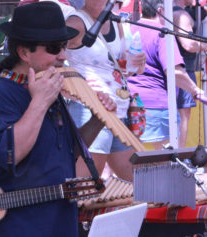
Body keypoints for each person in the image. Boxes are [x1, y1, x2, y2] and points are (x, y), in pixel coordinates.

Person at [0, 2, 116, 237]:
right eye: (54, 48)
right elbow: (11, 153)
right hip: (14, 228)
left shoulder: (47, 88)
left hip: (58, 223)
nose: (63, 55)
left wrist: (99, 119)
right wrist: (39, 102)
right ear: (24, 53)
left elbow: (70, 152)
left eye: (64, 45)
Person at [65, 0, 146, 181]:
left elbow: (123, 66)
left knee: (134, 176)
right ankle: (79, 210)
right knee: (88, 180)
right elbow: (52, 57)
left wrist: (139, 62)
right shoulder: (76, 22)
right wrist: (72, 89)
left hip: (118, 108)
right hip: (89, 108)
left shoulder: (116, 23)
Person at [127, 0, 204, 150]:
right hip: (158, 106)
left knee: (131, 157)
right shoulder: (162, 33)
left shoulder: (129, 29)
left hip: (131, 103)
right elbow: (174, 71)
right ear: (161, 11)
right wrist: (196, 90)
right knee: (167, 162)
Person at [173, 0, 207, 147]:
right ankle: (178, 157)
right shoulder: (181, 15)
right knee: (182, 117)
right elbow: (189, 44)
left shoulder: (170, 12)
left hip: (177, 70)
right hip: (183, 71)